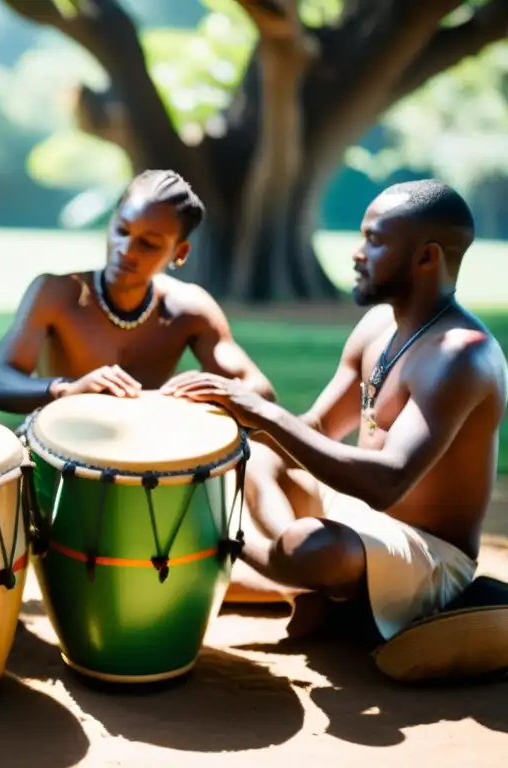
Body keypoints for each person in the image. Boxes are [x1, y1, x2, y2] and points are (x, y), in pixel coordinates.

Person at [164, 179, 508, 641]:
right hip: (363, 524)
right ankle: (307, 591)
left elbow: (389, 482)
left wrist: (263, 415)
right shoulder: (377, 326)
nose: (356, 252)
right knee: (260, 459)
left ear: (427, 258)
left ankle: (240, 550)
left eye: (375, 239)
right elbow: (320, 427)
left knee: (312, 546)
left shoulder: (460, 355)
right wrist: (217, 424)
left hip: (427, 557)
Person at [0, 169, 276, 416]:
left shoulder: (189, 308)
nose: (126, 251)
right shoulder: (58, 293)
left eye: (148, 244)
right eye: (121, 231)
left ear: (180, 253)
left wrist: (204, 393)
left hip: (149, 459)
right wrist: (66, 389)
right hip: (56, 454)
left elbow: (259, 389)